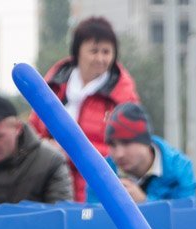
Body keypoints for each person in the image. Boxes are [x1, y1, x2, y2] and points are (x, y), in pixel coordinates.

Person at [29, 16, 139, 202]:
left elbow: (130, 150)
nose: (100, 58)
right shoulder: (52, 87)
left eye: (106, 52)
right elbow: (31, 133)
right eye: (94, 51)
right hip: (47, 191)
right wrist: (47, 148)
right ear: (77, 51)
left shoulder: (123, 98)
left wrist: (71, 150)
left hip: (97, 194)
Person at [90, 102, 196, 204]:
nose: (119, 154)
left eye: (126, 143)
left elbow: (185, 218)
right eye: (112, 145)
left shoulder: (180, 169)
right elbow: (92, 218)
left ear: (146, 142)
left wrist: (145, 203)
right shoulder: (101, 173)